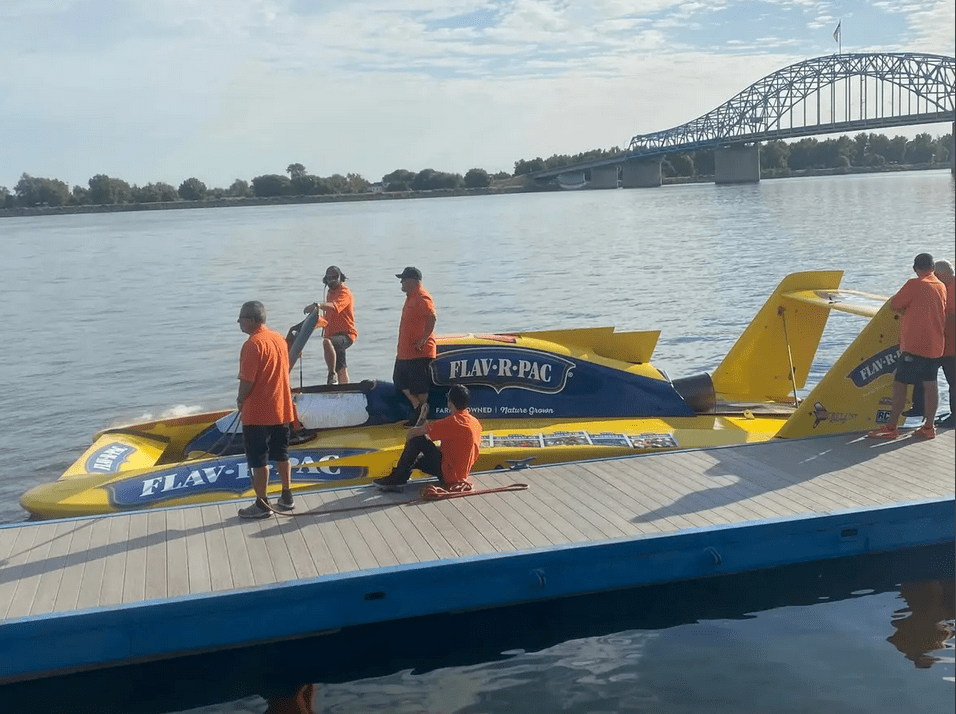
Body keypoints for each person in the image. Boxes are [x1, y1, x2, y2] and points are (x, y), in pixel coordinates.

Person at [868, 253, 947, 440]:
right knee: (931, 385)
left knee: (900, 383)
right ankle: (929, 427)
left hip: (915, 346)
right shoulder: (941, 286)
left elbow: (895, 304)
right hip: (935, 345)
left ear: (914, 269)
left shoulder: (914, 284)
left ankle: (891, 427)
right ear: (933, 268)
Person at [236, 301, 297, 518]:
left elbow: (247, 380)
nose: (238, 322)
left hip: (258, 412)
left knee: (259, 459)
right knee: (282, 453)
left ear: (252, 320)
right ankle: (287, 495)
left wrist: (240, 399)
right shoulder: (279, 339)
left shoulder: (252, 344)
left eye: (241, 318)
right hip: (281, 407)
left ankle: (262, 504)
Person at [373, 384, 481, 491]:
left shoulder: (452, 422)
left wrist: (410, 437)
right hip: (461, 474)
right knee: (416, 460)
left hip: (449, 475)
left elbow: (414, 433)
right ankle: (401, 474)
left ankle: (398, 479)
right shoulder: (475, 423)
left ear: (450, 402)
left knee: (418, 440)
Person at [906, 260, 955, 428]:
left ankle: (954, 417)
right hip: (936, 344)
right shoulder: (938, 287)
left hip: (950, 348)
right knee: (922, 376)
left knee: (953, 383)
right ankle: (919, 409)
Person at [393, 266, 437, 426]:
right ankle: (418, 407)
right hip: (405, 352)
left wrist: (424, 339)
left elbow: (432, 317)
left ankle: (421, 414)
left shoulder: (421, 296)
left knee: (419, 387)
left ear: (413, 280)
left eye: (404, 279)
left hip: (419, 352)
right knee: (398, 380)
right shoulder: (410, 297)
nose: (401, 282)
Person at [303, 265, 357, 385]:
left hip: (346, 335)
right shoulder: (330, 293)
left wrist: (318, 305)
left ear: (340, 278)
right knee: (341, 367)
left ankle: (331, 376)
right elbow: (329, 316)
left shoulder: (345, 292)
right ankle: (344, 387)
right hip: (333, 335)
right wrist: (313, 322)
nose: (331, 280)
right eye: (329, 278)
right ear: (325, 280)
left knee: (327, 342)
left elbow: (335, 307)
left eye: (334, 277)